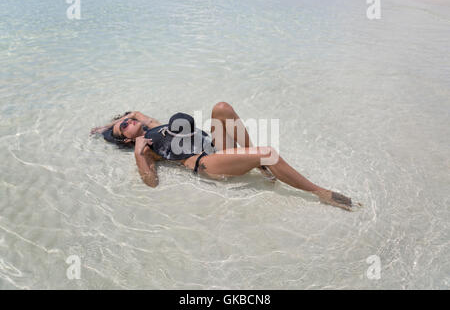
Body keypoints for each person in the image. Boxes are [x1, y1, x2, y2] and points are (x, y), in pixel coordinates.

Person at [91, 102, 361, 211]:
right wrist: (138, 155)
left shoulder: (153, 125)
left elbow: (137, 112)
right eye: (124, 126)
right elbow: (150, 183)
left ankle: (260, 166)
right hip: (206, 162)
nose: (129, 121)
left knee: (221, 108)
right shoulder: (146, 148)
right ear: (126, 138)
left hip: (213, 145)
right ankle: (319, 192)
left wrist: (106, 127)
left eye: (127, 119)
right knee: (267, 152)